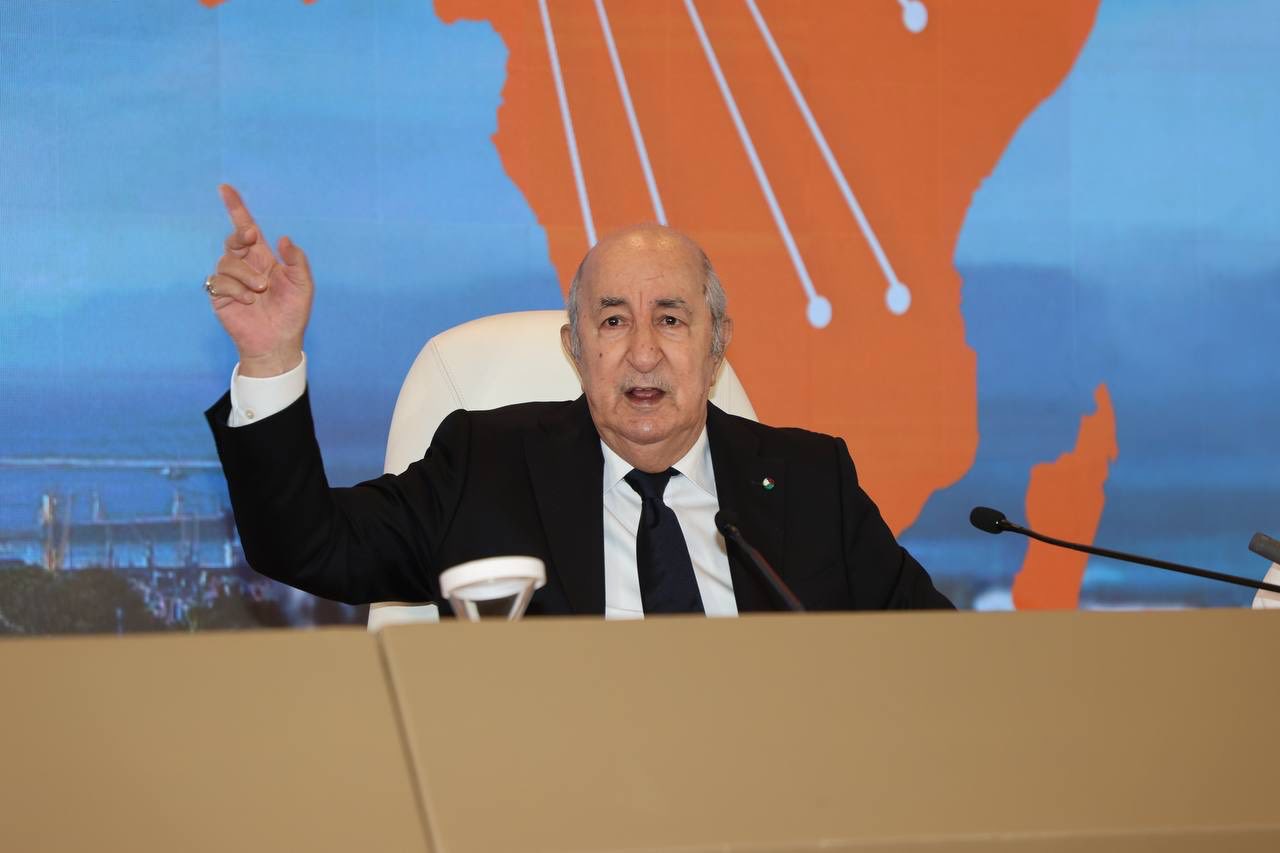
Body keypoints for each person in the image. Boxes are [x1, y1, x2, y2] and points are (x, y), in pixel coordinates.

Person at [204, 184, 953, 616]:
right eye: (614, 321)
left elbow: (935, 652)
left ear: (717, 345)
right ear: (575, 349)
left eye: (671, 319)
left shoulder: (808, 482)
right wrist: (269, 360)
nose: (643, 353)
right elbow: (309, 544)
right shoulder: (486, 467)